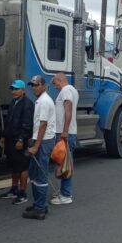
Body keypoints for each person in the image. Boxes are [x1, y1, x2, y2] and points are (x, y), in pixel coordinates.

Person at [23, 74, 56, 220]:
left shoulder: (43, 102)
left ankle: (40, 209)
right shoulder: (41, 100)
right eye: (33, 85)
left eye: (37, 85)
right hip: (41, 140)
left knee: (40, 176)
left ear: (44, 86)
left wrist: (36, 146)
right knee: (35, 174)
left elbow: (43, 124)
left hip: (43, 142)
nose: (34, 88)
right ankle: (39, 204)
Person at [0, 79, 34, 205]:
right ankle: (14, 189)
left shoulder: (27, 104)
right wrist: (3, 136)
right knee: (13, 166)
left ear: (23, 90)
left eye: (16, 89)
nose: (13, 91)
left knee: (22, 167)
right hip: (10, 140)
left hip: (20, 141)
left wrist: (21, 139)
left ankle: (23, 193)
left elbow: (27, 124)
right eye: (12, 89)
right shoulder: (13, 102)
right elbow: (9, 120)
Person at [51, 72, 78, 205]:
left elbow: (68, 109)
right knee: (63, 163)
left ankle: (66, 195)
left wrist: (65, 131)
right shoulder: (71, 90)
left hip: (65, 133)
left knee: (65, 164)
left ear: (59, 79)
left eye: (55, 84)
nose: (55, 87)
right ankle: (63, 191)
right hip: (65, 132)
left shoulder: (66, 90)